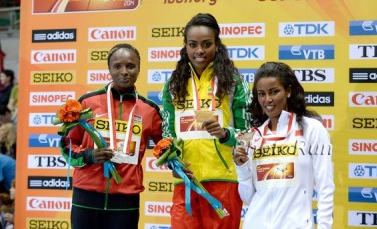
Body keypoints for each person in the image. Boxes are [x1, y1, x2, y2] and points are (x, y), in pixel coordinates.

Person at [161, 13, 252, 229]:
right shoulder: (173, 86)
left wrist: (226, 134)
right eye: (193, 45)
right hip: (186, 180)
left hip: (224, 180)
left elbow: (249, 134)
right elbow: (168, 135)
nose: (199, 51)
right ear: (185, 46)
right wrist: (172, 163)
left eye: (206, 44)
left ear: (217, 45)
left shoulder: (234, 83)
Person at [60, 43, 163, 229]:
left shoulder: (150, 110)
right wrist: (90, 155)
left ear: (139, 69)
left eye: (130, 66)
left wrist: (175, 160)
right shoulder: (87, 103)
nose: (124, 71)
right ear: (109, 69)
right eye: (117, 66)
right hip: (86, 195)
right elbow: (66, 145)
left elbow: (165, 146)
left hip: (126, 197)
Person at [233, 62, 334, 229]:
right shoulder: (254, 137)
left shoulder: (312, 130)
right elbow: (249, 198)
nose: (268, 100)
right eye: (262, 94)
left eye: (274, 92)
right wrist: (241, 167)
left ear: (288, 91)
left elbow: (325, 188)